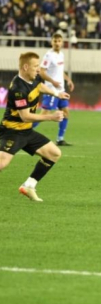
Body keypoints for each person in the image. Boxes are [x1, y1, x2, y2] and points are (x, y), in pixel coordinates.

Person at [0, 52, 71, 202]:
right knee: (2, 163)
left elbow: (40, 86)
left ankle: (29, 186)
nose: (39, 69)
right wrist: (51, 117)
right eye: (35, 66)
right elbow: (25, 116)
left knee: (53, 153)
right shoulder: (18, 89)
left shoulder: (34, 77)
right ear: (25, 67)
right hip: (11, 132)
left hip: (26, 131)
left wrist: (56, 94)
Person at [36, 33, 75, 146]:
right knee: (43, 115)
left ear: (62, 42)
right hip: (51, 91)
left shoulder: (61, 54)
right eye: (55, 41)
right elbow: (42, 72)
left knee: (66, 113)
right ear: (51, 42)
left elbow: (60, 71)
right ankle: (23, 131)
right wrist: (52, 82)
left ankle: (60, 139)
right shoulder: (48, 55)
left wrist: (68, 80)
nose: (57, 43)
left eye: (59, 41)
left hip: (61, 91)